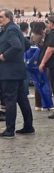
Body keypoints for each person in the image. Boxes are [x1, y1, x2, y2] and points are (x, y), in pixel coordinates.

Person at [0, 9, 34, 137]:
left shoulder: (11, 29)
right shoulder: (13, 29)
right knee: (22, 99)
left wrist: (4, 56)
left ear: (8, 17)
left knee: (10, 100)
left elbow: (17, 46)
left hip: (9, 72)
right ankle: (28, 126)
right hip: (17, 70)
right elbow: (26, 44)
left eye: (1, 17)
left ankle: (10, 129)